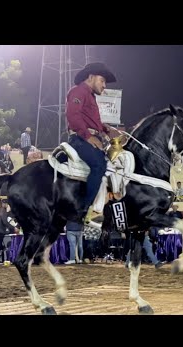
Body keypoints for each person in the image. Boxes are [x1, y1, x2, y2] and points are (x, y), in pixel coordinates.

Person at [65, 62, 117, 225]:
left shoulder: (90, 96)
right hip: (79, 139)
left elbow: (91, 121)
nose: (104, 85)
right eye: (102, 81)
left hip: (86, 137)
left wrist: (105, 128)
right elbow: (73, 115)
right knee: (99, 166)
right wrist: (88, 136)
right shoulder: (78, 91)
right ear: (91, 77)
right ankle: (84, 209)